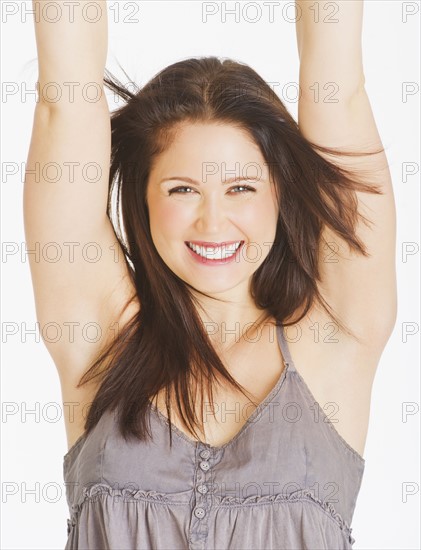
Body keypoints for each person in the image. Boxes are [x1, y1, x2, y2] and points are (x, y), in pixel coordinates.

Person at [24, 0, 397, 548]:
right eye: (182, 189)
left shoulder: (337, 334)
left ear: (280, 193)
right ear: (144, 200)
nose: (213, 221)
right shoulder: (100, 336)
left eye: (240, 188)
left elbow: (337, 88)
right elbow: (65, 96)